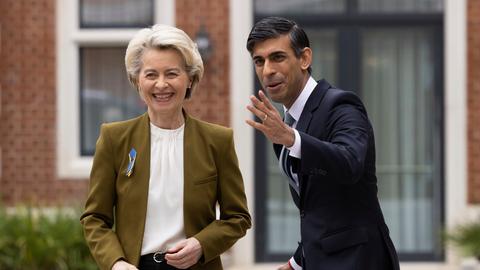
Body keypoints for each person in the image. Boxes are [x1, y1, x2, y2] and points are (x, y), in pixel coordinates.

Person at [80, 24, 251, 270]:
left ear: (190, 79)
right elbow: (95, 218)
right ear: (137, 81)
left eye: (171, 74)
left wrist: (201, 244)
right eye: (151, 75)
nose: (161, 84)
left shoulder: (217, 141)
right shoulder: (114, 139)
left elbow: (238, 218)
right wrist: (116, 263)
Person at [245, 17, 400, 270]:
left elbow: (350, 163)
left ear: (305, 59)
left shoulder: (341, 105)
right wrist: (297, 262)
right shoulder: (288, 122)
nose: (267, 70)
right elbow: (316, 208)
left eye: (277, 57)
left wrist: (291, 138)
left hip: (358, 261)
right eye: (259, 61)